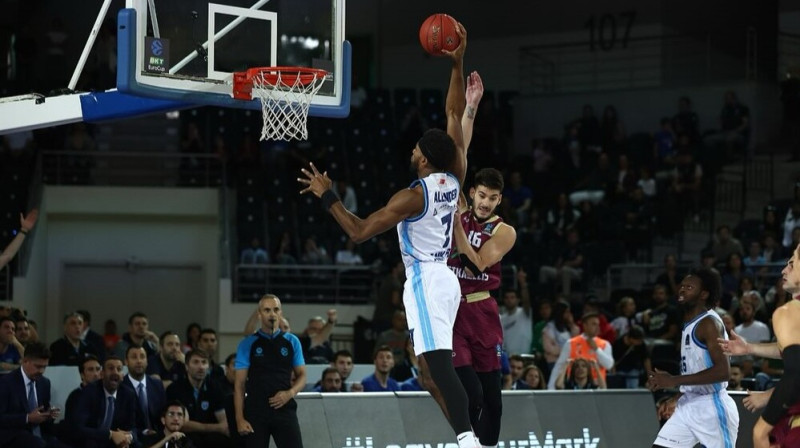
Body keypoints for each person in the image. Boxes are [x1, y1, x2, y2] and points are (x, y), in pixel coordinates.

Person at [298, 23, 482, 448]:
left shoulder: (411, 197)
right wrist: (456, 61)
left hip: (427, 278)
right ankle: (463, 431)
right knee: (427, 367)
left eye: (418, 147)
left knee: (437, 365)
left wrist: (329, 196)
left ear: (424, 159)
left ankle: (469, 440)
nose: (413, 149)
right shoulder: (456, 174)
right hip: (447, 279)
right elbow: (454, 114)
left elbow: (359, 231)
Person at [448, 165, 517, 448]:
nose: (486, 202)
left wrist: (456, 227)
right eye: (482, 195)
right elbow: (457, 158)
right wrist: (466, 116)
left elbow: (475, 265)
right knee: (471, 393)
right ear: (472, 193)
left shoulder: (504, 231)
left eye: (493, 198)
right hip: (453, 312)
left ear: (499, 200)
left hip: (483, 313)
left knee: (493, 402)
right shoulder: (459, 208)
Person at [719, 243, 800, 448]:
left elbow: (796, 374)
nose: (784, 270)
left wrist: (761, 427)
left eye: (792, 263)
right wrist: (750, 348)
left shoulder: (788, 312)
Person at [647, 269, 739, 448]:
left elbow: (723, 372)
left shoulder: (709, 323)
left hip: (712, 407)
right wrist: (679, 395)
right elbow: (696, 372)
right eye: (682, 286)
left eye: (689, 287)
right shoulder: (689, 324)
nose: (682, 290)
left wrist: (673, 380)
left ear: (703, 294)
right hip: (689, 405)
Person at [234, 295, 306, 448]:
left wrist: (290, 393)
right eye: (267, 310)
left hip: (284, 408)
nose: (272, 314)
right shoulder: (247, 344)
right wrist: (240, 419)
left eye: (275, 310)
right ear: (259, 314)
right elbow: (239, 384)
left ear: (280, 313)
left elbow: (302, 376)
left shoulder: (292, 341)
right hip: (256, 411)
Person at [0, 342, 67, 448]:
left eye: (44, 367)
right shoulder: (6, 383)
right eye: (38, 366)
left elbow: (43, 416)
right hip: (14, 435)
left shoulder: (44, 383)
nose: (41, 371)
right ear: (25, 361)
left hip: (40, 435)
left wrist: (49, 415)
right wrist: (27, 418)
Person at [166, 349, 231, 448]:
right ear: (187, 367)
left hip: (210, 438)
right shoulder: (175, 389)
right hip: (185, 436)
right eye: (196, 362)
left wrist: (216, 428)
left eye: (204, 362)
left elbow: (224, 423)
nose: (201, 367)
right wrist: (215, 427)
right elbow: (182, 424)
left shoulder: (215, 388)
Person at [69, 356, 138, 448]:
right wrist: (110, 434)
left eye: (119, 369)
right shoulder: (88, 392)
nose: (115, 372)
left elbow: (133, 427)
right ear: (102, 374)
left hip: (115, 444)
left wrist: (128, 437)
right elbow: (79, 428)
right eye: (110, 368)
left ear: (122, 376)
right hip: (92, 441)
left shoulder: (128, 394)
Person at [547, 312, 613, 390]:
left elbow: (609, 365)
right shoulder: (571, 343)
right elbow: (559, 366)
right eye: (594, 324)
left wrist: (597, 349)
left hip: (597, 389)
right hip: (573, 389)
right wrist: (551, 388)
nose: (598, 327)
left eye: (598, 324)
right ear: (585, 325)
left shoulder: (604, 344)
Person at [123, 345, 166, 441]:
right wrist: (143, 432)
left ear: (147, 361)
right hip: (133, 439)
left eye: (142, 357)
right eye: (134, 357)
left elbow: (164, 412)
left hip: (159, 436)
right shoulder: (120, 386)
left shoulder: (157, 384)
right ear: (126, 362)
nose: (139, 361)